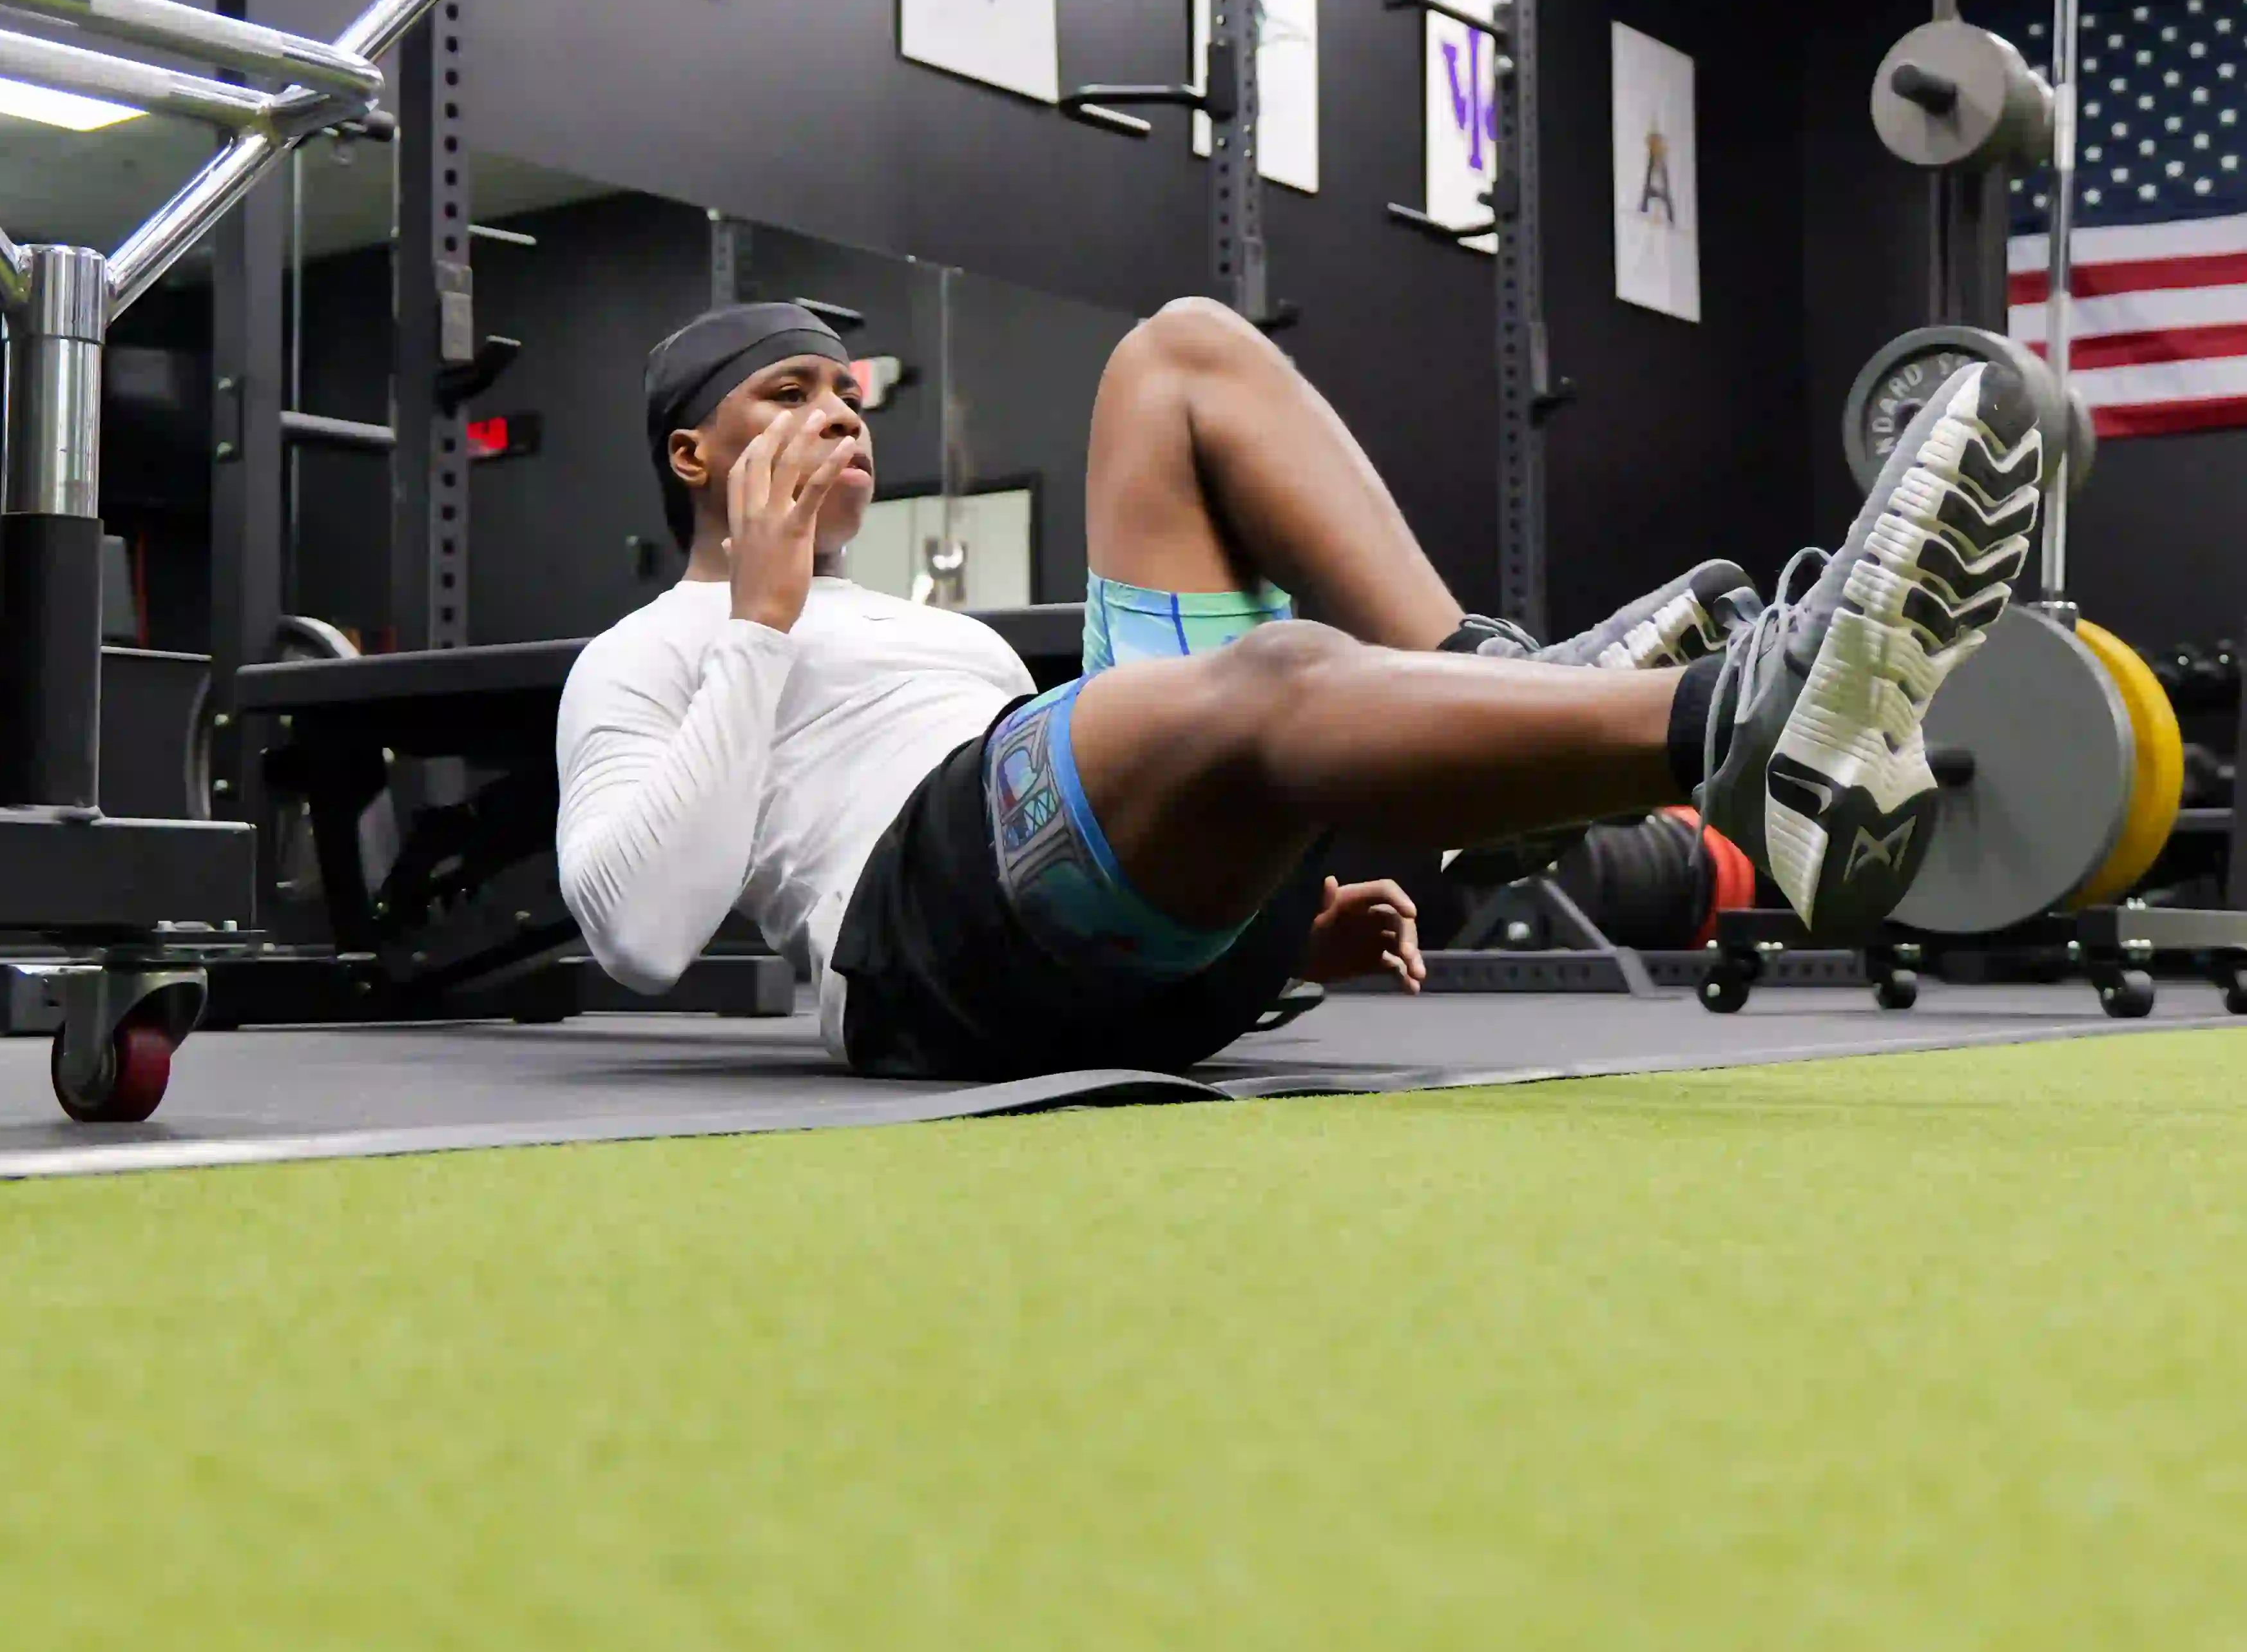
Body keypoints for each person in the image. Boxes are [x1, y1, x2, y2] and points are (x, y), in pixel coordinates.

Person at [555, 294, 2045, 1081]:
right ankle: (1741, 723)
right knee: (1272, 677)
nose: (836, 414)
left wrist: (1274, 937)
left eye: (845, 392)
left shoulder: (942, 645)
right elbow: (638, 935)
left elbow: (1083, 820)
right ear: (694, 455)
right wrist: (751, 624)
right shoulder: (647, 654)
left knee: (1181, 355)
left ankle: (1500, 678)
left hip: (1070, 893)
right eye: (785, 395)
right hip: (918, 944)